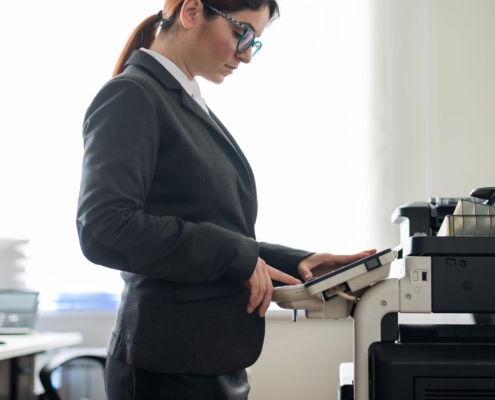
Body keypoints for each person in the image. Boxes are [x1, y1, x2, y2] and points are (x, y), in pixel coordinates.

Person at [76, 0, 375, 398]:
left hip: (206, 358)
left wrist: (296, 261)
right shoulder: (132, 96)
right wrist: (235, 252)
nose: (247, 55)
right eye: (241, 33)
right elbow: (103, 227)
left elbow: (211, 226)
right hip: (167, 365)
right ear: (192, 11)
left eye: (256, 42)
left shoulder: (183, 100)